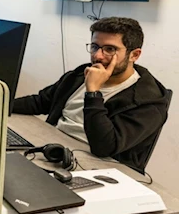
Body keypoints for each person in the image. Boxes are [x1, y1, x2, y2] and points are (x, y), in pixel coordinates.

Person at [13, 17, 170, 172]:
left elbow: (104, 147)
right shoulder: (81, 73)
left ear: (134, 55)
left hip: (99, 167)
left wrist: (93, 92)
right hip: (55, 150)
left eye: (110, 49)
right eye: (95, 47)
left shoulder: (149, 101)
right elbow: (40, 102)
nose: (97, 56)